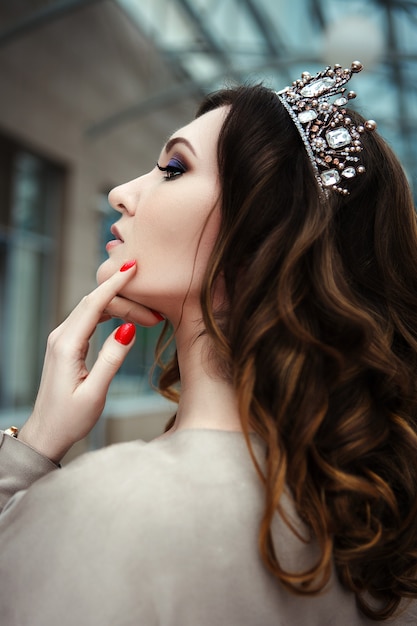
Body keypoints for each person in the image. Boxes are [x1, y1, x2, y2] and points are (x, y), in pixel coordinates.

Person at [1, 61, 417, 625]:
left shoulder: (113, 506)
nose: (122, 194)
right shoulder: (380, 522)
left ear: (257, 241)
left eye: (172, 169)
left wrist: (32, 448)